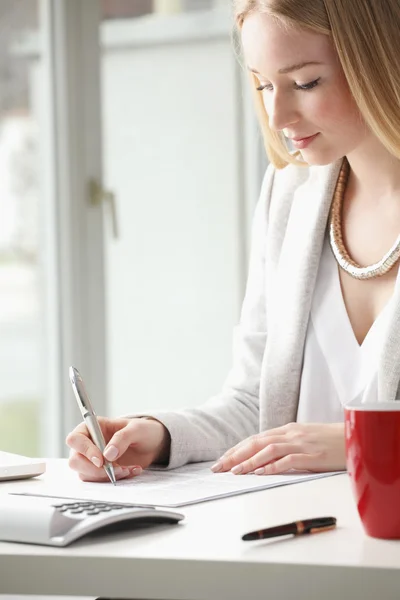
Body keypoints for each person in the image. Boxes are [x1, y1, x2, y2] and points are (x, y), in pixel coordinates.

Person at [67, 0, 400, 482]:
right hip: (295, 535)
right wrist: (158, 436)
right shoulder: (288, 196)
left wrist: (358, 440)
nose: (278, 113)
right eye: (264, 84)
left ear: (379, 57)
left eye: (305, 82)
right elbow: (256, 404)